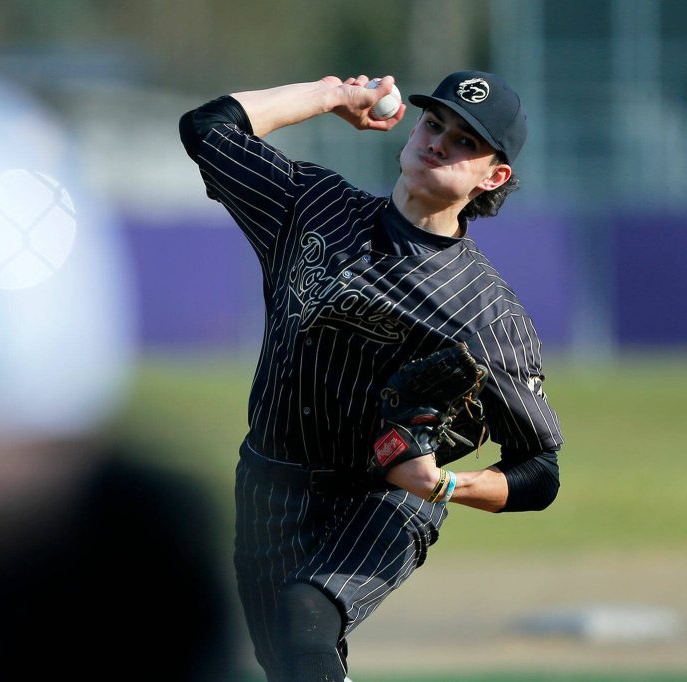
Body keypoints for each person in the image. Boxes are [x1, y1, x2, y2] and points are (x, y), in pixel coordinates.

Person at [179, 71, 563, 681]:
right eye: (434, 123)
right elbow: (207, 128)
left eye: (465, 141)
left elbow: (539, 471)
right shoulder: (314, 207)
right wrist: (331, 95)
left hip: (383, 494)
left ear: (494, 177)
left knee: (303, 617)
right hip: (269, 481)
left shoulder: (486, 313)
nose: (438, 141)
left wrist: (443, 486)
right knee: (289, 660)